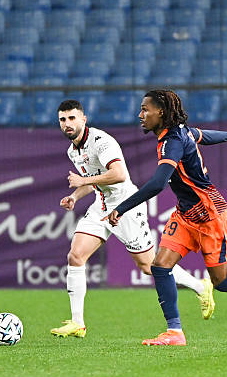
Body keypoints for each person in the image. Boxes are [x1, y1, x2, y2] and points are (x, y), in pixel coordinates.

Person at [104, 90, 227, 346]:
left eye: (145, 109)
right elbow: (203, 135)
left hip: (209, 214)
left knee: (222, 281)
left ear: (160, 112)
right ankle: (174, 332)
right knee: (160, 266)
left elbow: (158, 183)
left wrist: (122, 207)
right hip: (186, 214)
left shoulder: (172, 141)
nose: (140, 115)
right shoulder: (180, 131)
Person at [50, 99, 215, 339]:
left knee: (149, 266)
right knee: (75, 256)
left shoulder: (101, 141)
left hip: (126, 206)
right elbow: (94, 179)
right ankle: (78, 323)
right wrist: (75, 196)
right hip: (101, 206)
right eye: (63, 119)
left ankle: (201, 286)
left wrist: (83, 181)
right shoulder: (72, 150)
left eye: (72, 118)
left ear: (83, 119)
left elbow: (118, 174)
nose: (67, 123)